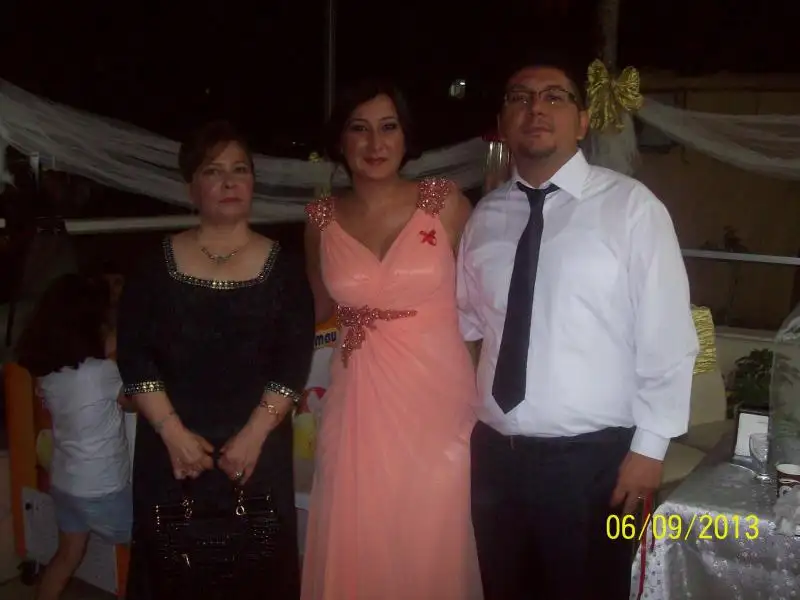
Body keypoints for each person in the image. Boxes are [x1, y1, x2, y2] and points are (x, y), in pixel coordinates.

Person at [457, 58, 699, 600]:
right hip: (495, 459)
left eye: (554, 96)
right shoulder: (485, 218)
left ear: (583, 121)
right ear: (502, 121)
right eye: (519, 97)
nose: (535, 109)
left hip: (598, 464)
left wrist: (650, 450)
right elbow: (470, 326)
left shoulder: (632, 209)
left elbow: (668, 336)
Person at [117, 121, 315, 600]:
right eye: (213, 170)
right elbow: (134, 354)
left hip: (256, 453)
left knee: (256, 576)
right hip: (172, 455)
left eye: (239, 170)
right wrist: (173, 434)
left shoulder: (286, 268)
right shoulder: (153, 264)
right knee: (172, 576)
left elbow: (292, 360)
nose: (229, 182)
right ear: (192, 187)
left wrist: (253, 437)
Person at [302, 80, 482, 600]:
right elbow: (315, 310)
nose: (375, 143)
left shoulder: (446, 204)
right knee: (357, 527)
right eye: (359, 129)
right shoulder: (319, 219)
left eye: (388, 127)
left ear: (406, 137)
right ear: (340, 141)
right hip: (357, 398)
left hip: (439, 401)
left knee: (432, 532)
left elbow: (483, 307)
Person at [16, 273, 132, 600]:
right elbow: (135, 402)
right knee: (149, 549)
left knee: (67, 555)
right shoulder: (102, 373)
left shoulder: (51, 374)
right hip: (102, 487)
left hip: (66, 483)